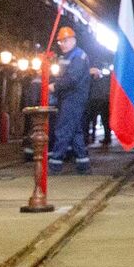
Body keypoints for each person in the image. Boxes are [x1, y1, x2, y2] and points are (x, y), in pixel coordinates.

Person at [48, 26, 93, 174]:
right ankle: (83, 163)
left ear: (74, 40)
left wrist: (55, 86)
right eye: (60, 41)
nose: (63, 44)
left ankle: (55, 164)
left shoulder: (78, 56)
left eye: (65, 41)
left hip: (73, 98)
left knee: (63, 129)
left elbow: (72, 79)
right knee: (75, 131)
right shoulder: (66, 57)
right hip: (68, 97)